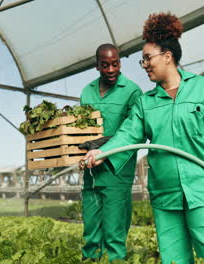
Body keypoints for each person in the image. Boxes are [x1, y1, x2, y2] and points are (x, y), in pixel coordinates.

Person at [82, 14, 204, 264]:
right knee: (174, 259)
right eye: (143, 60)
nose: (145, 65)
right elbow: (127, 134)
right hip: (165, 194)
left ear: (167, 56)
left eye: (148, 58)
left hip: (203, 188)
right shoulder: (146, 103)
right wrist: (100, 153)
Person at [78, 43, 143, 261]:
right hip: (90, 173)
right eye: (105, 65)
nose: (111, 70)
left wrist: (105, 150)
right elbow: (80, 130)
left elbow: (136, 132)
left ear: (120, 63)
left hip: (116, 172)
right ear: (97, 66)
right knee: (90, 233)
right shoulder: (87, 91)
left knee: (115, 235)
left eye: (115, 64)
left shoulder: (132, 91)